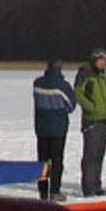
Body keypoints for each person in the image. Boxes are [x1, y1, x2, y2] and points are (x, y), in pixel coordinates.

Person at [31, 59, 76, 200]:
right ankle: (55, 191)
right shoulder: (63, 86)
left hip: (41, 128)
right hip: (58, 129)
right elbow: (71, 106)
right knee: (57, 161)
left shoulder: (38, 83)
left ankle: (42, 192)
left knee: (42, 162)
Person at [73, 48, 106, 197]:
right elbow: (77, 93)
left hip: (104, 119)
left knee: (99, 155)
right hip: (92, 121)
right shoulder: (85, 74)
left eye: (105, 59)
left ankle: (96, 185)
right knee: (90, 155)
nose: (104, 62)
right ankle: (88, 187)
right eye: (101, 59)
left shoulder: (102, 75)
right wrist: (91, 108)